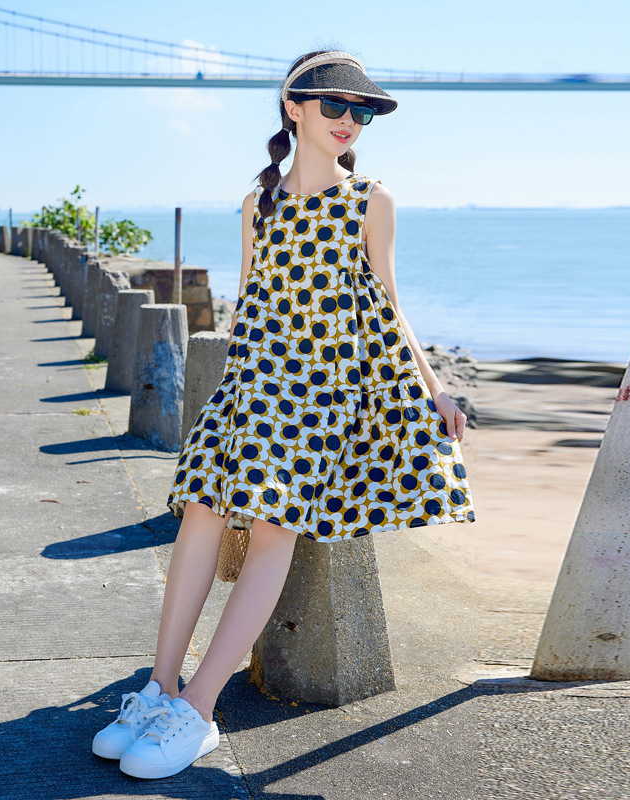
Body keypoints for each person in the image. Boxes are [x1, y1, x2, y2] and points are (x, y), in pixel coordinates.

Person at [92, 48, 476, 780]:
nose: (349, 123)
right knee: (200, 511)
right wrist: (233, 395)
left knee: (272, 532)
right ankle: (157, 686)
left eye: (361, 112)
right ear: (293, 107)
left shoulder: (372, 201)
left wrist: (433, 388)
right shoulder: (256, 204)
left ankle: (198, 710)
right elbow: (248, 304)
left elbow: (390, 304)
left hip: (321, 391)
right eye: (336, 106)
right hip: (251, 384)